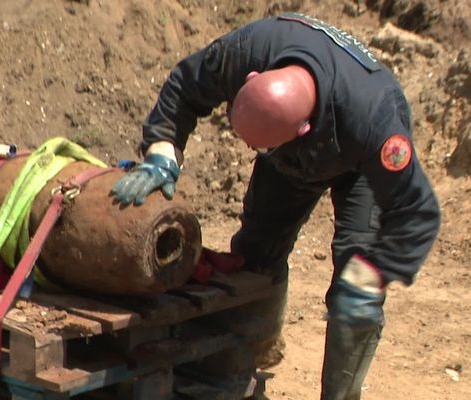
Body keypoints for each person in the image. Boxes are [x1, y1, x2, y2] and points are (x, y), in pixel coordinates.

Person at [111, 12, 441, 400]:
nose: (249, 151)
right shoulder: (245, 52)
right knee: (254, 257)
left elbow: (417, 213)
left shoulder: (378, 121)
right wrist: (161, 153)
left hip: (359, 167)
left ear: (301, 130)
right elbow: (185, 84)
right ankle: (242, 367)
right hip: (288, 158)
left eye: (259, 146)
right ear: (250, 80)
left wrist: (376, 271)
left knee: (356, 302)